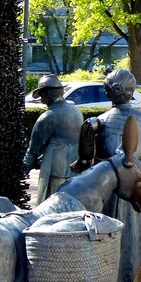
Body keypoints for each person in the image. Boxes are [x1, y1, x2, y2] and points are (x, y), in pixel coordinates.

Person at [75, 69, 141, 282]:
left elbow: (85, 161)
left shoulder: (96, 121)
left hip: (108, 178)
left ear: (107, 92)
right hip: (138, 177)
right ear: (132, 91)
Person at [23, 75, 84, 205]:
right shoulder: (76, 111)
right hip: (75, 169)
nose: (42, 100)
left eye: (42, 95)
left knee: (50, 207)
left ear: (48, 94)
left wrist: (24, 169)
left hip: (55, 171)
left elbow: (33, 149)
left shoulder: (49, 116)